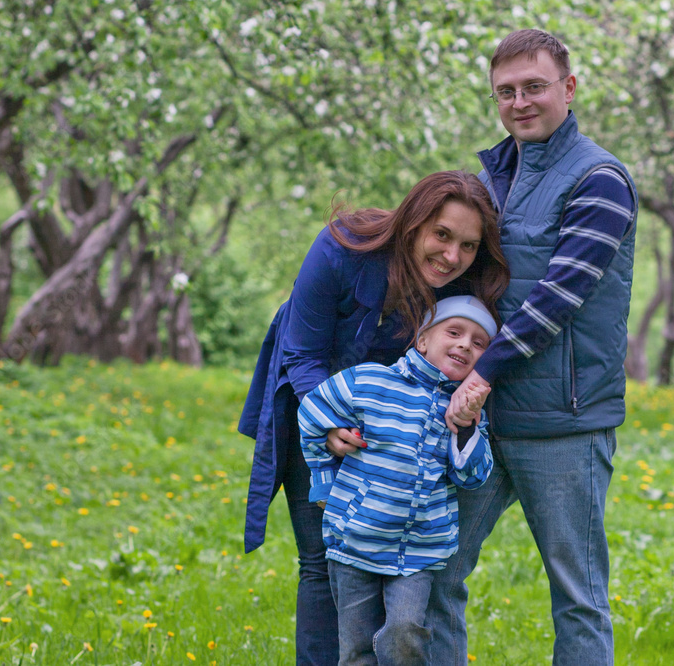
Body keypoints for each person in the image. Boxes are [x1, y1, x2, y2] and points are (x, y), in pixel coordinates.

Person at [427, 29, 639, 665]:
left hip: (561, 424)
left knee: (578, 598)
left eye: (534, 87)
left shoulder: (601, 179)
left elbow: (558, 295)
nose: (519, 102)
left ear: (568, 88)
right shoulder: (489, 179)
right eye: (506, 92)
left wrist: (481, 374)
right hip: (480, 420)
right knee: (434, 573)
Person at [238, 171, 509, 665]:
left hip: (397, 428)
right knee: (320, 561)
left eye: (468, 245)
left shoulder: (461, 288)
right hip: (314, 398)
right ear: (413, 222)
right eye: (442, 234)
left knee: (391, 567)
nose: (452, 256)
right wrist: (328, 424)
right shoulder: (342, 247)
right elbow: (303, 353)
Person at [297, 296, 496, 666]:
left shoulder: (465, 410)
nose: (466, 344)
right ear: (422, 339)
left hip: (418, 550)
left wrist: (467, 426)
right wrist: (323, 482)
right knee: (356, 650)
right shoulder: (369, 380)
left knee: (405, 633)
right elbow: (311, 413)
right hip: (354, 539)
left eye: (479, 342)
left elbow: (472, 477)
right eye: (454, 332)